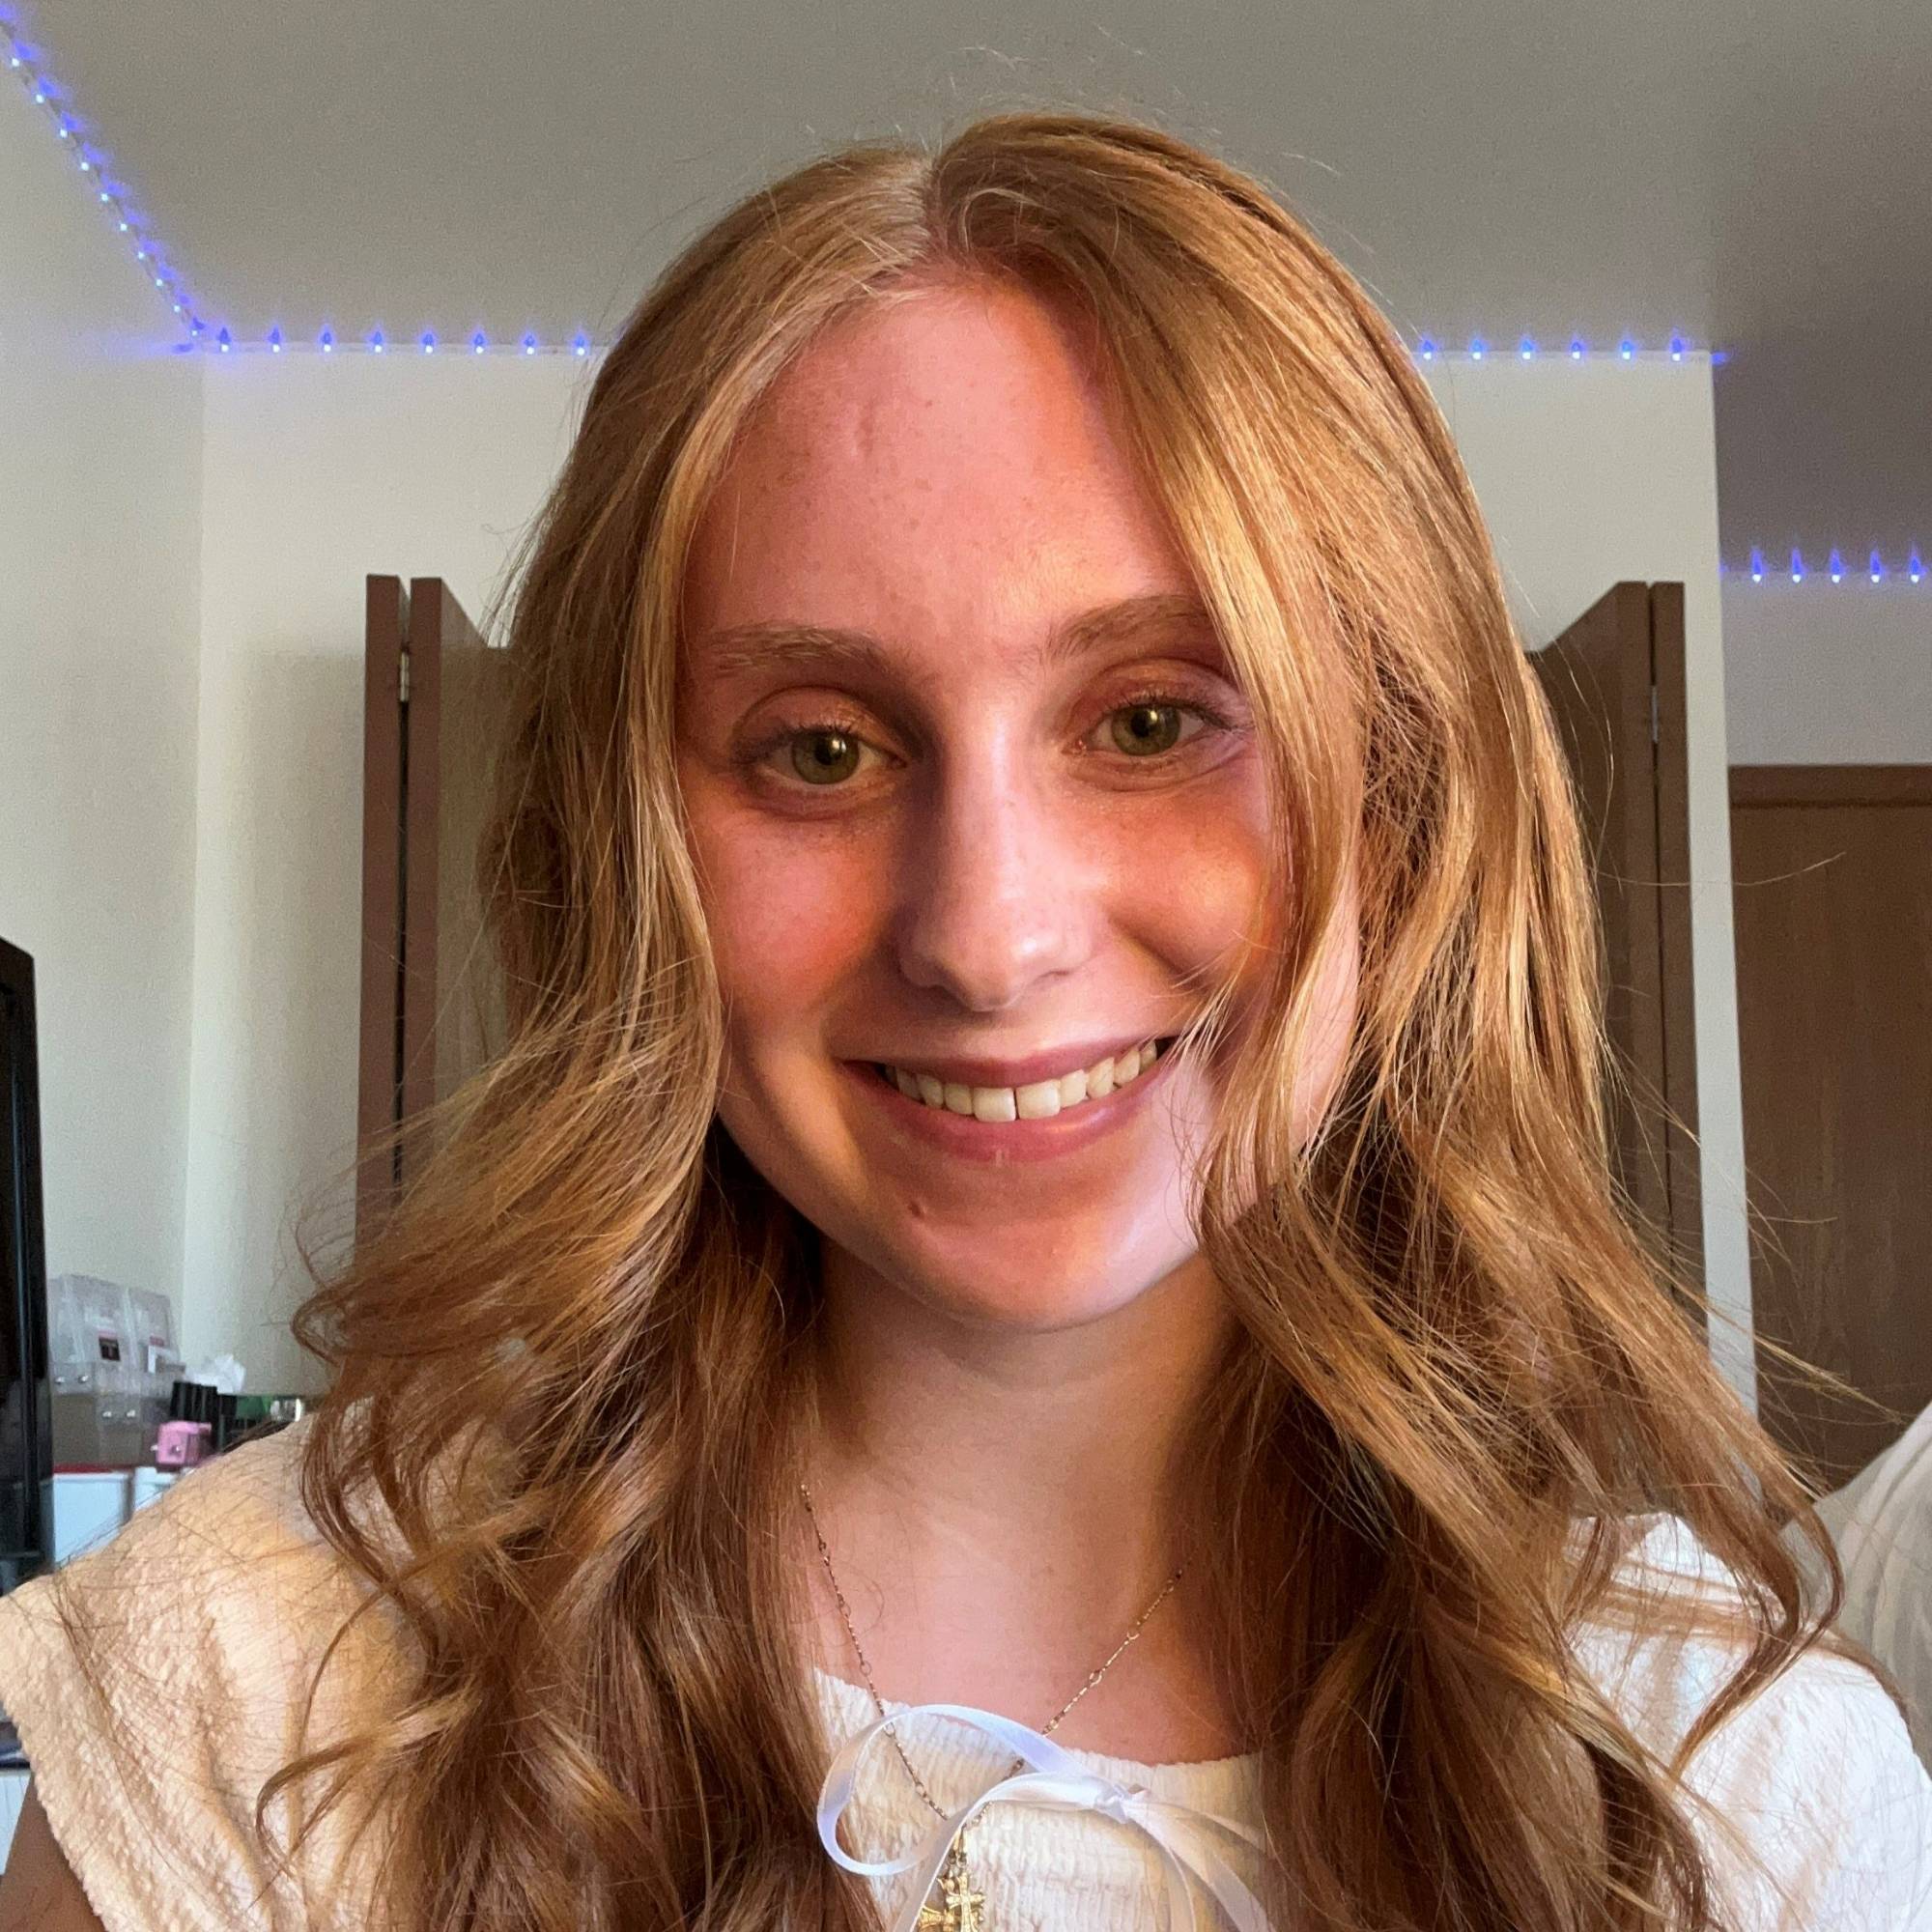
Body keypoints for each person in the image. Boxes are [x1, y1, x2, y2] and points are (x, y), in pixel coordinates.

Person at [2, 108, 1928, 1932]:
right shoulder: (254, 1680)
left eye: (1154, 720)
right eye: (820, 749)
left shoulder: (1741, 1787)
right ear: (625, 858)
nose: (987, 939)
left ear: (1407, 815)